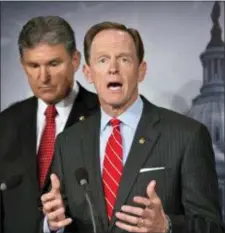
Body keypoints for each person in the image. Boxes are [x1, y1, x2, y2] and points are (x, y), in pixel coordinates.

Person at [41, 21, 224, 233]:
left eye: (124, 59)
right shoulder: (68, 142)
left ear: (141, 71)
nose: (113, 68)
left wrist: (167, 226)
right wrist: (53, 225)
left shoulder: (187, 135)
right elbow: (61, 217)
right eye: (103, 60)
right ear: (88, 73)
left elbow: (212, 227)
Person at [0, 16, 99, 233]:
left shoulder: (102, 115)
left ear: (75, 60)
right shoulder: (6, 122)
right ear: (22, 65)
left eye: (53, 64)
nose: (43, 77)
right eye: (33, 65)